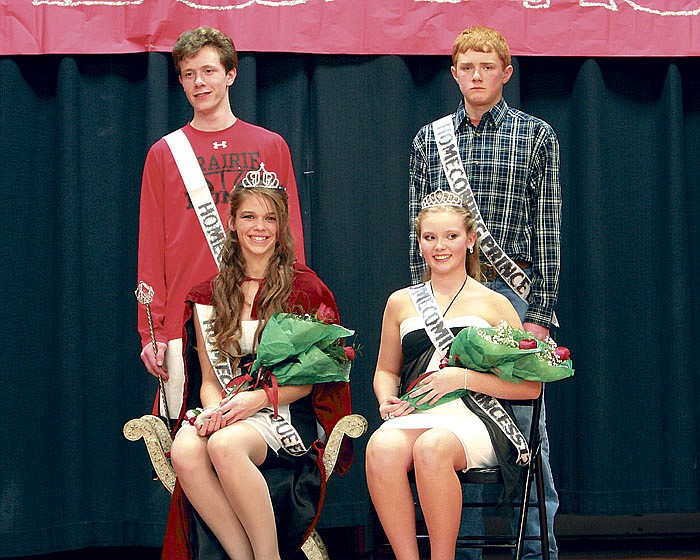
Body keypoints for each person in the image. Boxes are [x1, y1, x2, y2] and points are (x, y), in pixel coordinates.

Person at [407, 25, 561, 559]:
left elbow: (548, 231)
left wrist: (539, 312)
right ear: (454, 73)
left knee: (524, 433)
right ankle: (461, 552)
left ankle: (537, 549)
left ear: (506, 73)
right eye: (466, 66)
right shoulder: (430, 139)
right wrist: (418, 307)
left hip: (511, 296)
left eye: (487, 66)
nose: (476, 75)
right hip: (446, 302)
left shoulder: (537, 136)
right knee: (454, 420)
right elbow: (419, 231)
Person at [161, 168, 351, 559]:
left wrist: (256, 401)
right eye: (249, 217)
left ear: (282, 226)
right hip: (229, 406)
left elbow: (314, 382)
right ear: (232, 223)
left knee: (226, 446)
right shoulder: (208, 294)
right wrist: (215, 411)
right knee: (185, 449)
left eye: (270, 218)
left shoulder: (305, 288)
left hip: (281, 411)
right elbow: (211, 378)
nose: (259, 228)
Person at [137, 26, 306, 421]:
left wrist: (295, 312)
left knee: (262, 438)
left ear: (230, 74)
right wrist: (152, 331)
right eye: (189, 74)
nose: (199, 82)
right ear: (180, 81)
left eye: (209, 71)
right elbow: (151, 244)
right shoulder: (164, 154)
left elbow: (291, 233)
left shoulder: (270, 145)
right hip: (188, 314)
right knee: (190, 441)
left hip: (263, 311)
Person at [366, 190, 542, 560]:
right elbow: (386, 370)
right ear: (419, 243)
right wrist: (386, 399)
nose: (440, 246)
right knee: (379, 448)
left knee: (433, 448)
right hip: (418, 413)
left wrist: (462, 380)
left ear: (471, 240)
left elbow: (530, 386)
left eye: (451, 236)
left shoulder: (496, 304)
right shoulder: (400, 302)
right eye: (430, 237)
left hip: (475, 417)